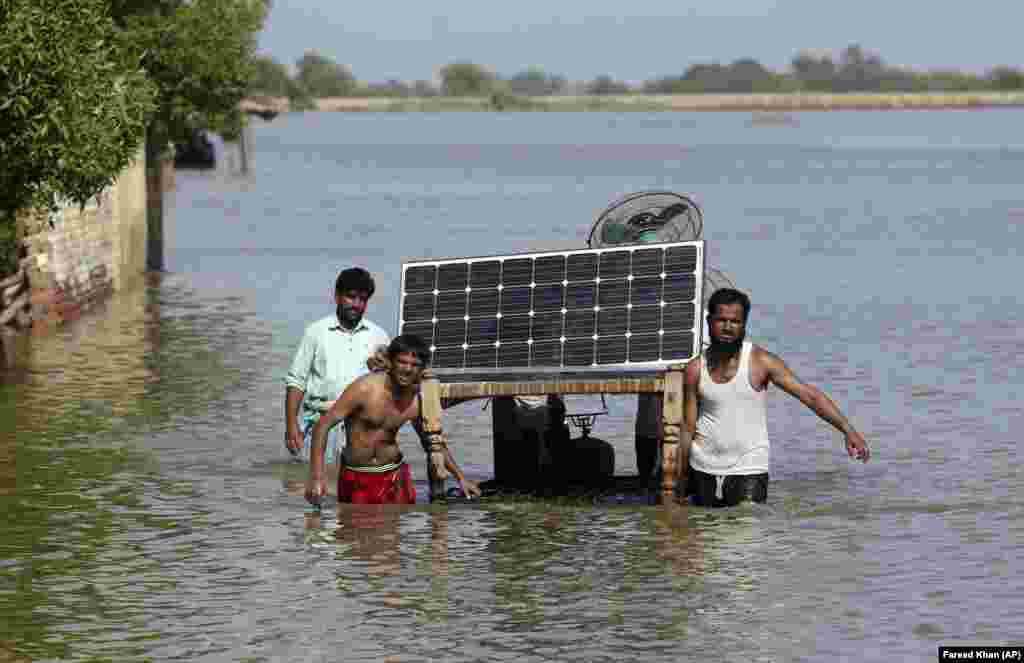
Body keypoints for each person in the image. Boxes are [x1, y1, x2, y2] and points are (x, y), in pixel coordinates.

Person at [680, 288, 870, 507]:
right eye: (721, 320)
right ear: (709, 321)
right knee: (705, 534)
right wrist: (679, 477)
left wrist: (847, 430)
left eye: (735, 321)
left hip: (749, 468)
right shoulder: (695, 369)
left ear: (744, 324)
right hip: (703, 467)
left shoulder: (761, 362)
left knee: (747, 533)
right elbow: (687, 426)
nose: (728, 327)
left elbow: (809, 395)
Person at [305, 334, 481, 507]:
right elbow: (323, 426)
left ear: (422, 369)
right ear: (390, 362)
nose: (407, 369)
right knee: (352, 532)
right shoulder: (364, 389)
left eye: (415, 365)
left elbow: (433, 443)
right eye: (402, 362)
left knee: (392, 535)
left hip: (393, 476)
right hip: (356, 475)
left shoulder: (417, 400)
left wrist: (461, 479)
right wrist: (316, 477)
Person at [284, 267, 390, 466]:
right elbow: (296, 381)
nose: (356, 304)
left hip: (362, 429)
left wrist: (386, 370)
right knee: (308, 488)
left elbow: (391, 387)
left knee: (357, 490)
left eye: (362, 299)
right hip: (320, 423)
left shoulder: (379, 336)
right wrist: (291, 426)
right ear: (337, 296)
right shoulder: (316, 332)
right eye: (351, 297)